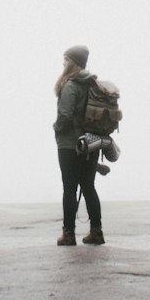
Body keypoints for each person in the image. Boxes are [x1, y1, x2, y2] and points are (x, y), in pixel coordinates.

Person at [53, 45, 104, 246]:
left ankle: (68, 234)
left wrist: (56, 128)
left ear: (73, 62)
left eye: (65, 59)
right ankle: (97, 232)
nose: (63, 63)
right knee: (89, 187)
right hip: (91, 142)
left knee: (69, 188)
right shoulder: (93, 83)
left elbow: (65, 115)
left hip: (69, 144)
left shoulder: (71, 85)